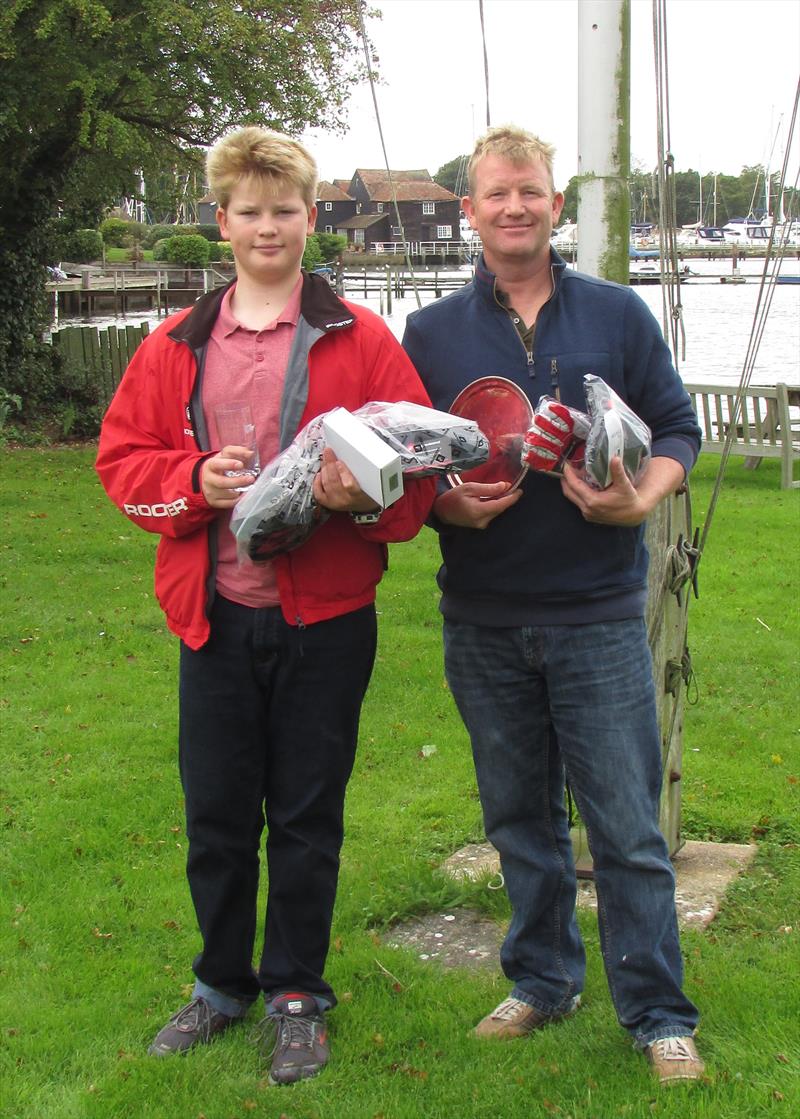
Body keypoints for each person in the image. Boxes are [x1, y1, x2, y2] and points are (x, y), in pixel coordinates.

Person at [95, 126, 435, 1085]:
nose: (268, 226)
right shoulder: (176, 343)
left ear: (310, 218)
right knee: (214, 813)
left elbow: (412, 481)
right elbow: (123, 465)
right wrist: (193, 479)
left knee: (305, 814)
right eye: (250, 211)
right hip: (213, 617)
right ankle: (219, 983)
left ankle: (295, 991)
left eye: (285, 209)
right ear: (223, 223)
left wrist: (351, 494)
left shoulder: (361, 340)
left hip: (323, 619)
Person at [402, 126, 705, 1085]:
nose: (514, 208)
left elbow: (677, 427)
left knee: (626, 826)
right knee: (520, 821)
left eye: (530, 192)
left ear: (555, 205)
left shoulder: (616, 312)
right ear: (471, 211)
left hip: (598, 612)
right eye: (496, 195)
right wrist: (443, 501)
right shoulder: (431, 333)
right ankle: (541, 978)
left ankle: (657, 1010)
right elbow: (404, 460)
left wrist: (640, 496)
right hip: (483, 614)